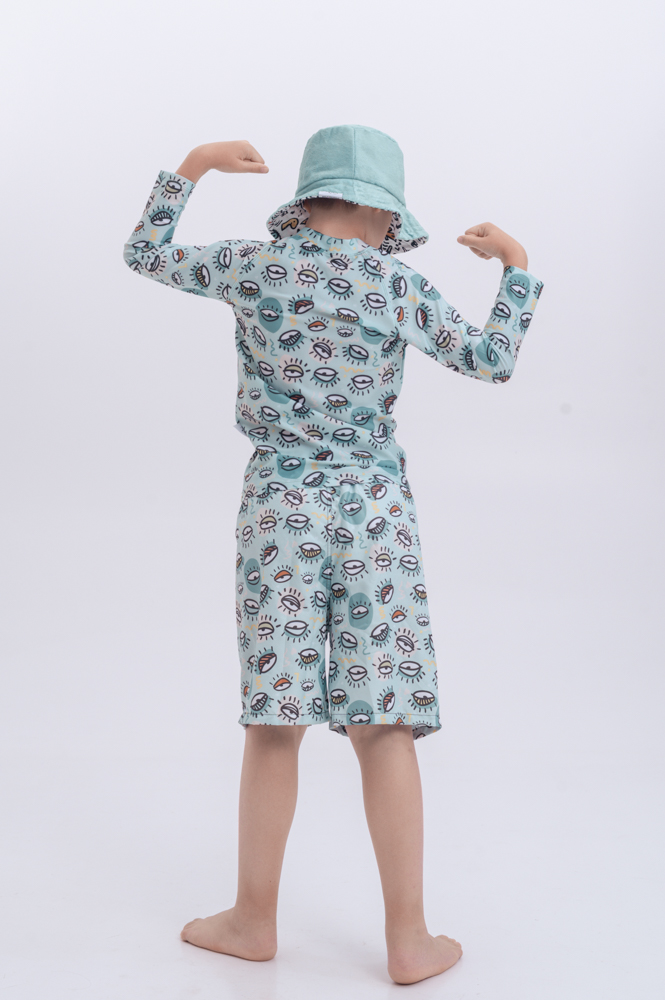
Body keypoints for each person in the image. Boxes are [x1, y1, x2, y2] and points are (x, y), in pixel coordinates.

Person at [123, 125, 543, 985]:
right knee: (383, 721)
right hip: (374, 514)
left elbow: (145, 253)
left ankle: (252, 920)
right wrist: (515, 267)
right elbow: (491, 360)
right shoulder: (396, 282)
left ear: (306, 200)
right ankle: (408, 938)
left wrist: (194, 167)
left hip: (279, 508)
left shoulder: (254, 265)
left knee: (275, 720)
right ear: (382, 213)